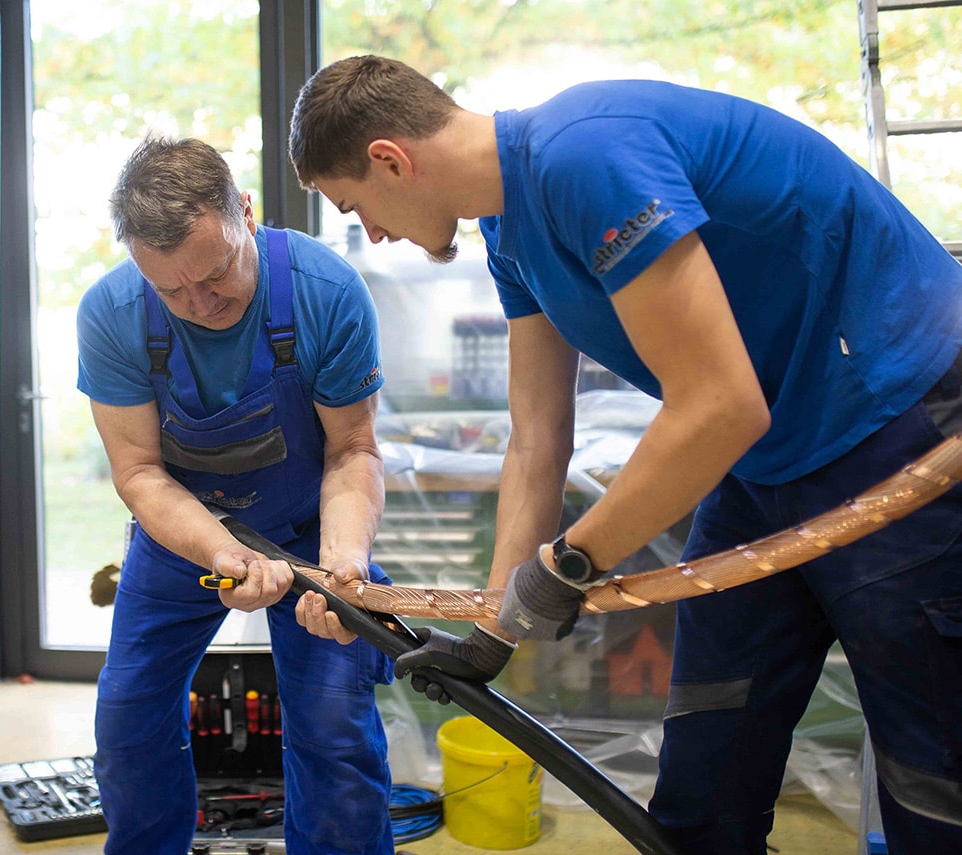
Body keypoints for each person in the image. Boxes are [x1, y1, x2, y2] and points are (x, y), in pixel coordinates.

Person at [288, 55, 962, 853]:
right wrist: (493, 628)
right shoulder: (508, 233)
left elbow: (717, 404)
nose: (372, 234)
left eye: (355, 206)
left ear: (390, 160)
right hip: (766, 458)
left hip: (894, 424)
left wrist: (569, 562)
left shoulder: (584, 154)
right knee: (703, 768)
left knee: (934, 782)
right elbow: (537, 436)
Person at [76, 135, 396, 855]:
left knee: (333, 728)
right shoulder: (111, 311)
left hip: (314, 529)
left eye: (216, 273)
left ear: (245, 213)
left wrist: (343, 563)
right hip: (183, 530)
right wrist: (223, 552)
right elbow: (139, 475)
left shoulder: (325, 291)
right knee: (127, 718)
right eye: (170, 289)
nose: (198, 303)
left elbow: (351, 451)